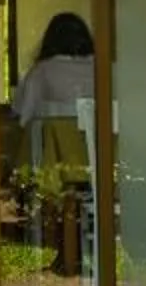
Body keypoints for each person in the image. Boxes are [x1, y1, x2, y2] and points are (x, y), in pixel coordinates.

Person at [13, 13, 95, 170]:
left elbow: (24, 116)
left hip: (57, 164)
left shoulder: (42, 70)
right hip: (105, 160)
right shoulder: (105, 69)